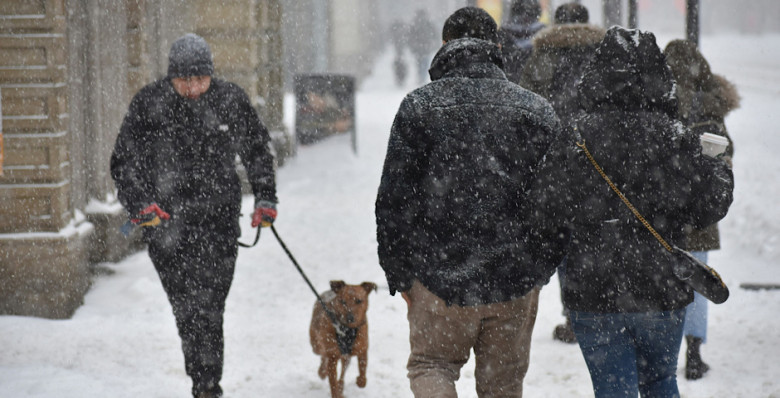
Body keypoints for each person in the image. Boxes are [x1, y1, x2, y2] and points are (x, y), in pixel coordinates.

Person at [528, 27, 734, 397]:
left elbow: (545, 206)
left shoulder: (576, 135)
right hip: (661, 288)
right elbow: (710, 205)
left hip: (593, 290)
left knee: (612, 388)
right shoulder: (675, 137)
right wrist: (717, 166)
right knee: (660, 381)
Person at [375, 7, 565, 398]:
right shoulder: (536, 111)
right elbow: (557, 202)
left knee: (432, 367)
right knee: (503, 386)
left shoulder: (419, 108)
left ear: (445, 45)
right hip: (513, 279)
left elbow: (393, 200)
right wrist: (539, 270)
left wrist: (400, 274)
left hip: (437, 278)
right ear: (497, 46)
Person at [110, 33, 278, 398]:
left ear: (211, 75)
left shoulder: (229, 99)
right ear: (171, 77)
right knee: (187, 310)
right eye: (183, 79)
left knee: (210, 307)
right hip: (165, 225)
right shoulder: (149, 103)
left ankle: (206, 385)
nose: (191, 87)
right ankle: (203, 382)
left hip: (218, 223)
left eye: (199, 79)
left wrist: (265, 197)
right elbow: (124, 162)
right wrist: (140, 205)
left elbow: (257, 149)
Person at [519, 1, 606, 345]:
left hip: (556, 164)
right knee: (598, 238)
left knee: (565, 240)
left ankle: (574, 316)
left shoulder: (542, 55)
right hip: (600, 161)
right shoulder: (604, 53)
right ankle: (600, 308)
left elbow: (529, 105)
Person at [663, 39, 740, 380]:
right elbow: (726, 152)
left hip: (662, 210)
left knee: (664, 279)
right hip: (700, 212)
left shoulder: (656, 98)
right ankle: (694, 353)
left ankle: (666, 347)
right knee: (700, 280)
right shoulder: (710, 106)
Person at [498, 0, 546, 83]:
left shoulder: (503, 32)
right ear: (538, 13)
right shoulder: (544, 34)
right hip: (535, 84)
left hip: (508, 84)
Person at [407, 9, 438, 85]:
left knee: (419, 62)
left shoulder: (415, 24)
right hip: (425, 47)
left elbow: (410, 36)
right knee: (424, 62)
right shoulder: (428, 24)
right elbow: (434, 34)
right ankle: (422, 77)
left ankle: (421, 77)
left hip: (419, 47)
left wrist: (412, 45)